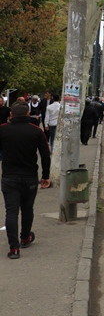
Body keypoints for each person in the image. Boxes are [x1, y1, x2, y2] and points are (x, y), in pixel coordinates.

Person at [1, 103, 51, 259]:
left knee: (11, 211)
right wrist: (45, 175)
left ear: (11, 114)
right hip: (30, 177)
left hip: (9, 176)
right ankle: (25, 237)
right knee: (27, 208)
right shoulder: (36, 131)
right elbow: (45, 155)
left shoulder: (2, 129)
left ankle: (14, 248)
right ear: (28, 113)